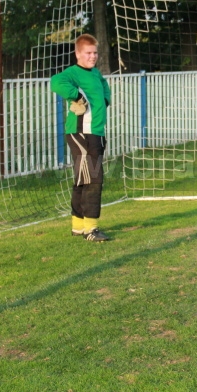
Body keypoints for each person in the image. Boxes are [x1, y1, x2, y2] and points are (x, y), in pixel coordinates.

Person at [50, 34, 112, 242]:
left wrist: (105, 99)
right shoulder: (73, 73)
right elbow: (55, 82)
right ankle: (91, 229)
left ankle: (78, 226)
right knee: (94, 178)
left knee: (83, 178)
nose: (92, 56)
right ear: (78, 53)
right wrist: (76, 97)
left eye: (95, 52)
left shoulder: (95, 74)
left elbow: (104, 86)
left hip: (96, 132)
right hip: (81, 132)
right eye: (88, 53)